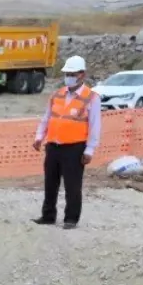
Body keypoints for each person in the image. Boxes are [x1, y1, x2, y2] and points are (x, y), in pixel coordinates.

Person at [32, 55, 101, 230]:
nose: (68, 76)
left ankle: (71, 218)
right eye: (67, 73)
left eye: (72, 73)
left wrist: (89, 150)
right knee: (50, 183)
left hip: (75, 148)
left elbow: (95, 126)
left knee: (72, 185)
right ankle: (48, 215)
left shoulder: (91, 98)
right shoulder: (57, 94)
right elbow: (47, 118)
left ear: (82, 75)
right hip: (53, 146)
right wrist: (39, 137)